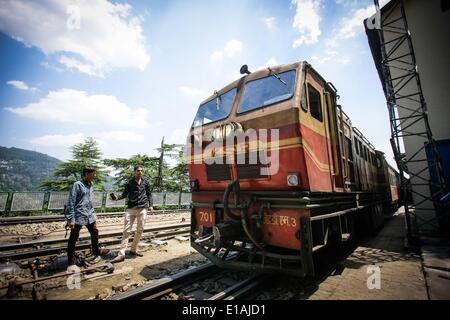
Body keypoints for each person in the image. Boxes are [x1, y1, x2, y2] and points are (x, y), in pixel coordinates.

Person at [65, 167, 109, 267]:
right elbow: (71, 202)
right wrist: (71, 219)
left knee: (95, 232)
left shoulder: (90, 184)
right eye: (93, 173)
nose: (95, 175)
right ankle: (70, 261)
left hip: (89, 214)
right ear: (86, 174)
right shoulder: (77, 185)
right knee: (74, 237)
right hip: (79, 215)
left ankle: (96, 251)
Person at [110, 165, 153, 262]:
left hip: (142, 209)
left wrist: (151, 205)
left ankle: (133, 250)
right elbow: (124, 194)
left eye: (142, 171)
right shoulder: (129, 182)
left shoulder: (145, 182)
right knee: (126, 231)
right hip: (131, 209)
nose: (140, 172)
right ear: (134, 172)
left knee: (140, 230)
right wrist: (116, 198)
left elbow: (149, 194)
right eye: (138, 171)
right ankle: (121, 254)